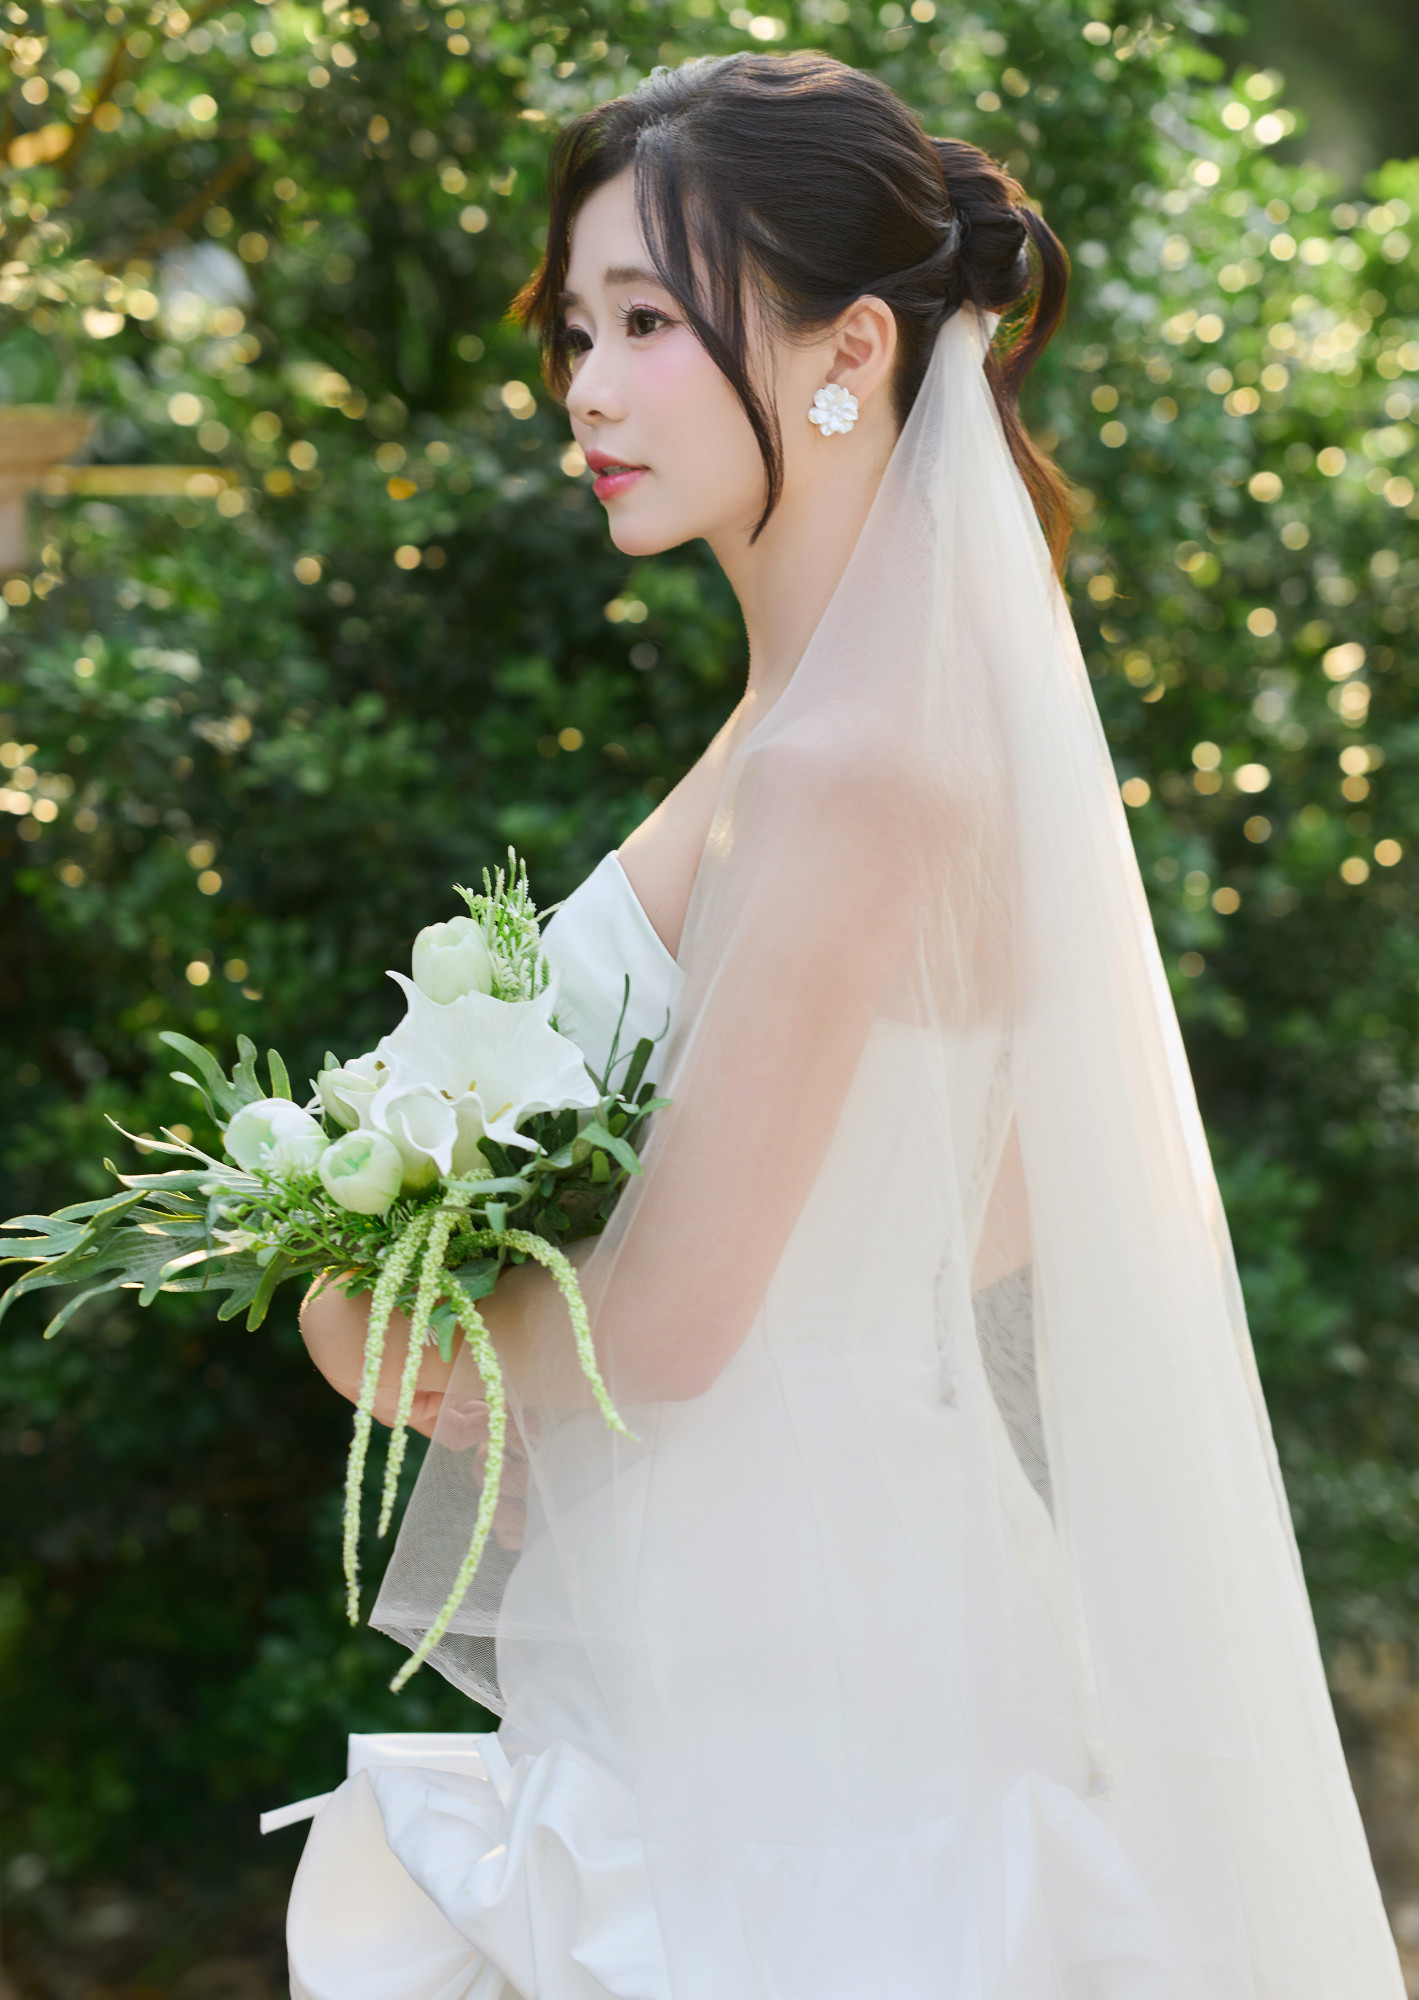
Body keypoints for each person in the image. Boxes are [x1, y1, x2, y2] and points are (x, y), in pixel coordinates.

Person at [285, 50, 1404, 2000]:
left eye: (648, 322)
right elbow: (986, 1199)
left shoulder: (842, 765)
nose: (588, 387)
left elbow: (669, 1324)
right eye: (577, 330)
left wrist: (384, 1326)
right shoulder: (834, 716)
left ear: (849, 349)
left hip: (798, 1688)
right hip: (796, 1609)